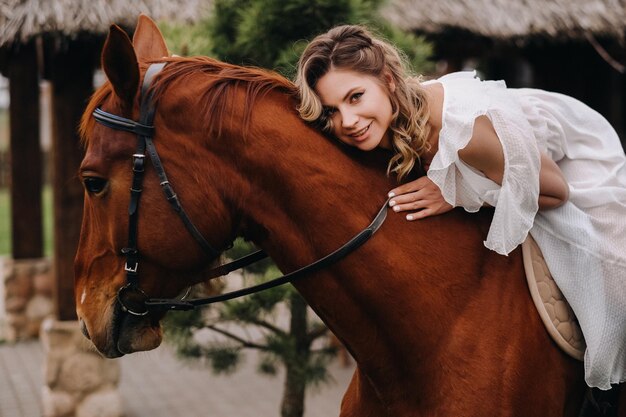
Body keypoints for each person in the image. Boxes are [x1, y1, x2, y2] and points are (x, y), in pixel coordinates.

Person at [295, 24, 626, 393]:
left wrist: (456, 192)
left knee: (611, 278)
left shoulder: (465, 135)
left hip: (570, 159)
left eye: (355, 97)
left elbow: (555, 192)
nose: (347, 121)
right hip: (510, 152)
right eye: (331, 111)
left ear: (388, 80)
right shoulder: (382, 120)